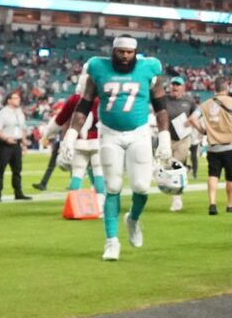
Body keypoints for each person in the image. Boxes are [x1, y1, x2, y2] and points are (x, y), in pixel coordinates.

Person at [59, 35, 169, 261]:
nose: (126, 56)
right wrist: (70, 136)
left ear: (135, 52)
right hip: (109, 133)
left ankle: (133, 219)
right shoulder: (98, 68)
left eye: (130, 52)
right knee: (113, 186)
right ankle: (111, 242)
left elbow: (160, 106)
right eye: (122, 52)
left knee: (141, 187)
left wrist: (165, 136)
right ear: (113, 51)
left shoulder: (149, 68)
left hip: (139, 132)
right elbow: (84, 104)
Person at [194, 79, 232, 214]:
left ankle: (212, 204)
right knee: (231, 177)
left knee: (213, 175)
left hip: (213, 146)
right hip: (230, 145)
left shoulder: (205, 104)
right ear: (226, 87)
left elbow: (192, 119)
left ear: (214, 88)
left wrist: (202, 130)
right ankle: (230, 205)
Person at [160, 76, 198, 209]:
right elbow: (157, 111)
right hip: (167, 137)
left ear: (183, 87)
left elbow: (197, 114)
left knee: (177, 167)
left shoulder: (189, 100)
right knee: (167, 167)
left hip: (183, 139)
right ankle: (172, 189)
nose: (175, 87)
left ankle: (177, 199)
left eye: (178, 85)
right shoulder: (164, 99)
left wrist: (191, 120)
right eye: (173, 85)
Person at [0, 89, 33, 201]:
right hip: (5, 144)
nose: (18, 100)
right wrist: (5, 138)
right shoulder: (3, 113)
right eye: (15, 98)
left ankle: (18, 192)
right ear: (9, 100)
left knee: (17, 170)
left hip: (17, 143)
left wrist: (24, 143)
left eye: (18, 98)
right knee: (0, 170)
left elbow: (22, 128)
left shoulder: (19, 112)